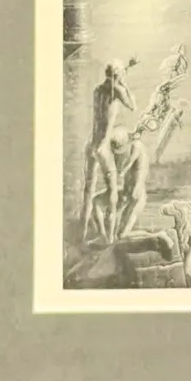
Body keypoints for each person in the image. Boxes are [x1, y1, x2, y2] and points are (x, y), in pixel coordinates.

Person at [81, 59, 137, 243]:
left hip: (91, 144)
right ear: (118, 75)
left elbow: (112, 80)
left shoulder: (97, 90)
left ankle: (82, 234)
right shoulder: (117, 90)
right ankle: (109, 239)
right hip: (103, 147)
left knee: (87, 192)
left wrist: (122, 71)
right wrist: (124, 83)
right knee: (112, 194)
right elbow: (132, 106)